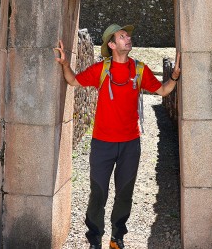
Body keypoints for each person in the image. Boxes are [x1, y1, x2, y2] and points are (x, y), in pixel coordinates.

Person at [54, 24, 180, 249]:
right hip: (102, 143)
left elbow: (162, 91)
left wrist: (175, 76)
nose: (128, 38)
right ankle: (95, 239)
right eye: (122, 36)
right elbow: (73, 81)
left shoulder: (140, 70)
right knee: (98, 192)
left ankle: (117, 236)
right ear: (111, 45)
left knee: (124, 193)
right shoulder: (100, 70)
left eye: (128, 35)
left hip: (131, 143)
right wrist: (64, 63)